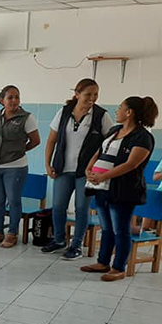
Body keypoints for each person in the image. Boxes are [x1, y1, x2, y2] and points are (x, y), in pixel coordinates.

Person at [82, 96, 157, 282]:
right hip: (101, 187)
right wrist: (89, 169)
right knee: (106, 227)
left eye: (120, 107)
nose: (117, 110)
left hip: (123, 190)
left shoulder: (143, 137)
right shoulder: (115, 130)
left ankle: (118, 267)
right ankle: (103, 262)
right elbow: (100, 152)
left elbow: (131, 164)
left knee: (120, 229)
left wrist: (103, 176)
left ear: (129, 112)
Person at [42, 79, 113, 260]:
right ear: (77, 94)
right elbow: (51, 140)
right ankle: (59, 240)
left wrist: (99, 168)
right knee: (58, 206)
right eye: (88, 94)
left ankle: (77, 245)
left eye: (95, 94)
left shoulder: (101, 116)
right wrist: (48, 164)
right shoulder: (64, 112)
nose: (92, 98)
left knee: (81, 207)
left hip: (86, 171)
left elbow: (109, 144)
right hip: (63, 168)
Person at [0, 85, 41, 248]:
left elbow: (35, 141)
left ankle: (12, 233)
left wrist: (18, 151)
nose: (14, 100)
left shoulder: (26, 118)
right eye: (10, 97)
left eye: (17, 97)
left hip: (15, 166)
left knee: (14, 200)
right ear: (2, 100)